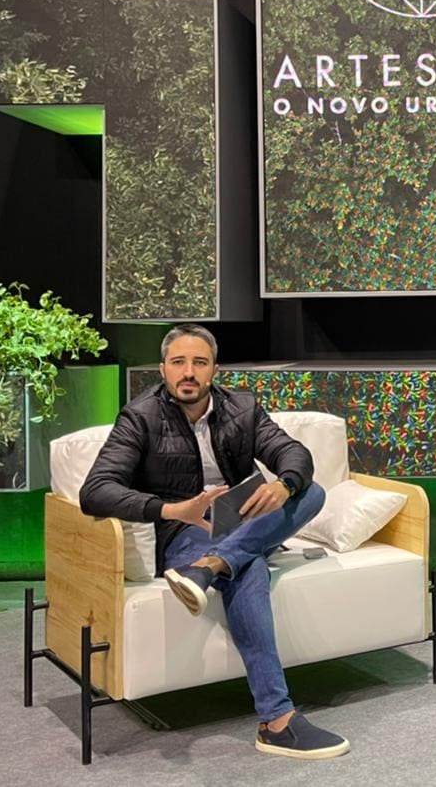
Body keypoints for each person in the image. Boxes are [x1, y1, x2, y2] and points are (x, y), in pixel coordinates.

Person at [79, 324, 350, 760]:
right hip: (185, 529)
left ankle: (210, 567)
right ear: (164, 369)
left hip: (242, 519)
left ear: (214, 370)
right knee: (250, 567)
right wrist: (172, 510)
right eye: (178, 362)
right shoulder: (139, 417)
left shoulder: (242, 407)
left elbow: (293, 453)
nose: (188, 372)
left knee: (311, 492)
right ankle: (277, 721)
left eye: (199, 362)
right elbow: (95, 491)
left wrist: (283, 484)